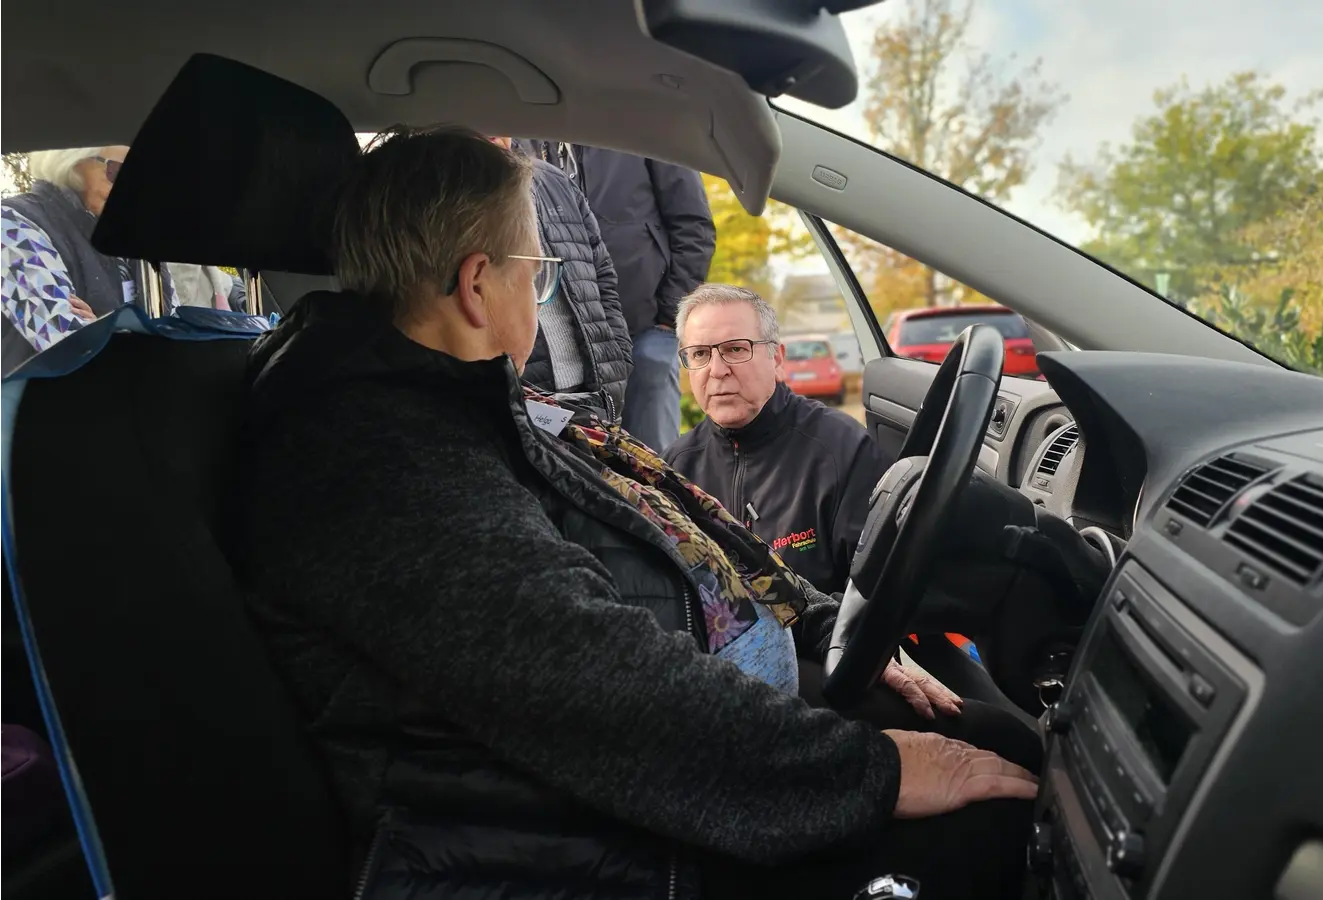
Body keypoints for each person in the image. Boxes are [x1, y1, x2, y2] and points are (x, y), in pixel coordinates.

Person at [239, 126, 1038, 900]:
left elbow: (678, 527)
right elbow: (579, 676)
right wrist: (870, 773)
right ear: (478, 285)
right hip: (577, 832)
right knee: (999, 821)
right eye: (539, 270)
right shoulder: (383, 460)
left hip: (687, 742)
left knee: (994, 739)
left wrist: (820, 622)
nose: (542, 290)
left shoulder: (472, 404)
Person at [666, 284, 895, 597]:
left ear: (777, 359)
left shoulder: (843, 450)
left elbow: (875, 597)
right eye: (700, 354)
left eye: (735, 349)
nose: (717, 370)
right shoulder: (675, 469)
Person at [528, 140, 714, 453]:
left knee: (652, 460)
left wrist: (667, 318)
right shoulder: (524, 138)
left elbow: (693, 226)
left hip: (647, 330)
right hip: (575, 346)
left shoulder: (637, 124)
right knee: (586, 463)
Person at [487, 137, 632, 417]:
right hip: (519, 401)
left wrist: (618, 354)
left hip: (593, 393)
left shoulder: (551, 179)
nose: (490, 129)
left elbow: (601, 273)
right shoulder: (444, 197)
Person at [2, 147, 175, 372]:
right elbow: (69, 345)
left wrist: (103, 329)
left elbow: (173, 327)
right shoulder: (11, 224)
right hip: (38, 403)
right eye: (117, 172)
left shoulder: (133, 237)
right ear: (74, 162)